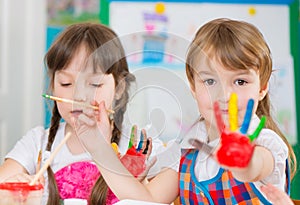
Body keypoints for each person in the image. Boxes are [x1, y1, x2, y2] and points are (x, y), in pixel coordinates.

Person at [75, 18, 297, 205]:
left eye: (240, 81)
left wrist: (242, 160)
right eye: (210, 80)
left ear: (262, 88)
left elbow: (255, 167)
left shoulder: (266, 144)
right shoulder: (188, 149)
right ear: (193, 87)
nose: (225, 95)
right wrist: (97, 146)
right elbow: (145, 199)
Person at [0, 23, 155, 205]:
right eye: (66, 84)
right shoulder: (36, 143)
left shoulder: (138, 148)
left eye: (94, 84)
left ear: (119, 88)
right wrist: (12, 193)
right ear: (53, 88)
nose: (78, 95)